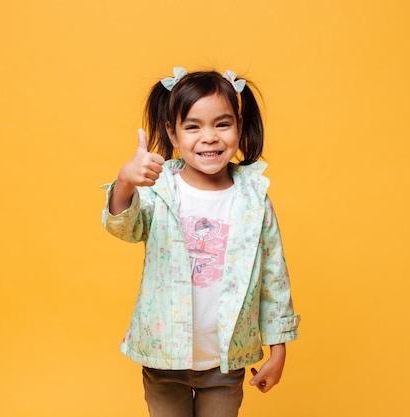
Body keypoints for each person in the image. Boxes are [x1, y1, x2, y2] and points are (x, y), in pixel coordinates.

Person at [101, 67, 300, 417]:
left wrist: (278, 348)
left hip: (225, 363)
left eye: (222, 124)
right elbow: (124, 226)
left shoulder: (254, 199)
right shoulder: (159, 189)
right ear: (172, 133)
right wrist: (125, 182)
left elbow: (274, 277)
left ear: (238, 125)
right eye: (193, 126)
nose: (209, 137)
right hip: (164, 357)